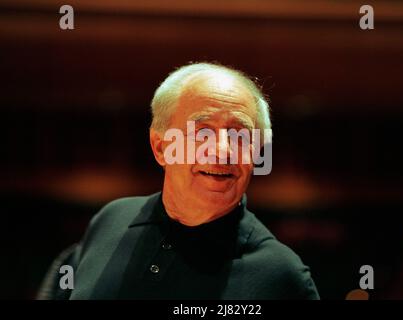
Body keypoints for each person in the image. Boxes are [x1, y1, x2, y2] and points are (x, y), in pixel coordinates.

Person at [38, 62, 320, 300]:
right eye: (202, 131)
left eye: (240, 134)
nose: (223, 150)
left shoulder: (281, 275)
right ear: (161, 148)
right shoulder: (111, 219)